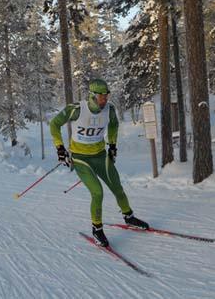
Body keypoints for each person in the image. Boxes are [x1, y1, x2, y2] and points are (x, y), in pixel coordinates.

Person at [50, 79, 149, 247]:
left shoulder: (109, 110)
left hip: (100, 155)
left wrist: (112, 145)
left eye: (106, 96)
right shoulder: (76, 109)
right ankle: (97, 229)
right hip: (81, 158)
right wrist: (60, 148)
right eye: (101, 97)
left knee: (117, 187)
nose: (105, 100)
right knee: (97, 192)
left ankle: (129, 217)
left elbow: (114, 126)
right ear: (92, 96)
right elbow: (55, 124)